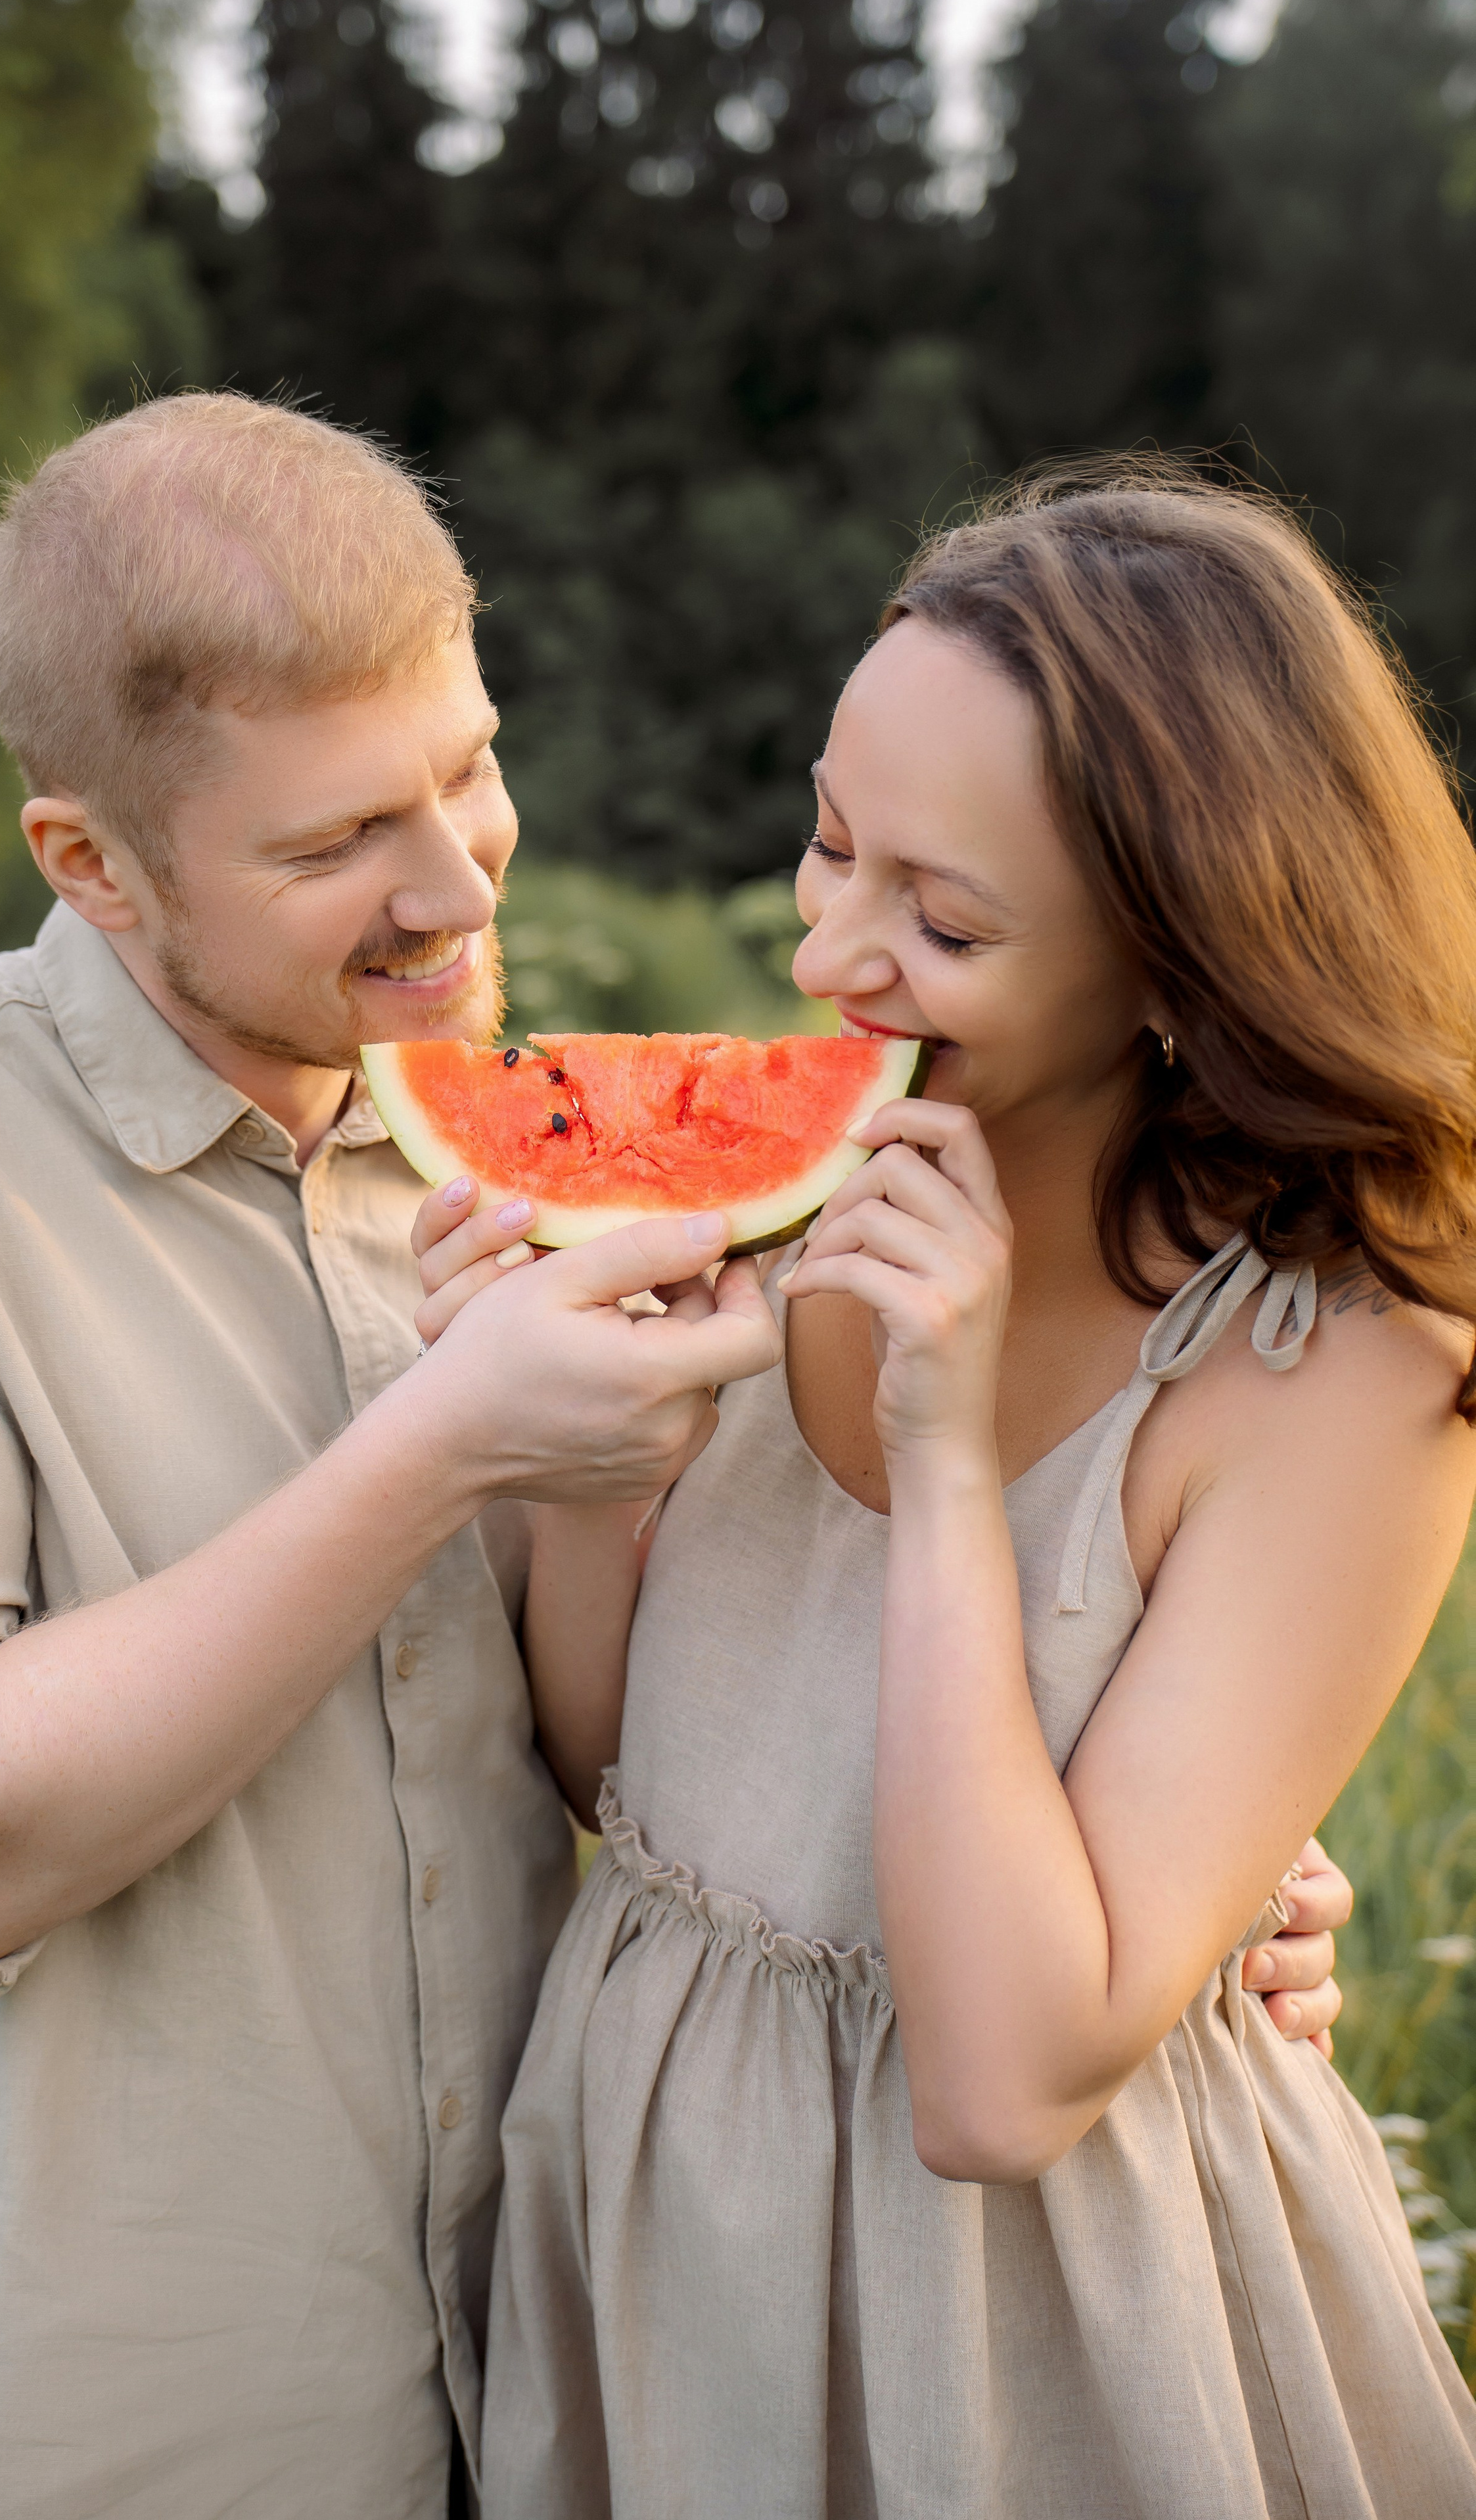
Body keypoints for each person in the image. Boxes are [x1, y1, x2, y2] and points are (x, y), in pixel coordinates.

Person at [415, 464, 1476, 2517]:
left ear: (1183, 961)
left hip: (1039, 2335)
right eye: (826, 842)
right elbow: (642, 1771)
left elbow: (1002, 2074)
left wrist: (944, 1441)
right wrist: (558, 1449)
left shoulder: (1341, 1374)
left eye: (946, 918)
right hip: (664, 2282)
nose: (830, 953)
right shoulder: (802, 1204)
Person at [0, 391, 785, 2520]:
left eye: (470, 765)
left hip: (550, 2385)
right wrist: (437, 1447)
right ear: (92, 862)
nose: (452, 883)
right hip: (114, 2436)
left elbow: (620, 1769)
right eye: (338, 840)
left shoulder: (489, 1135)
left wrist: (1171, 1866)